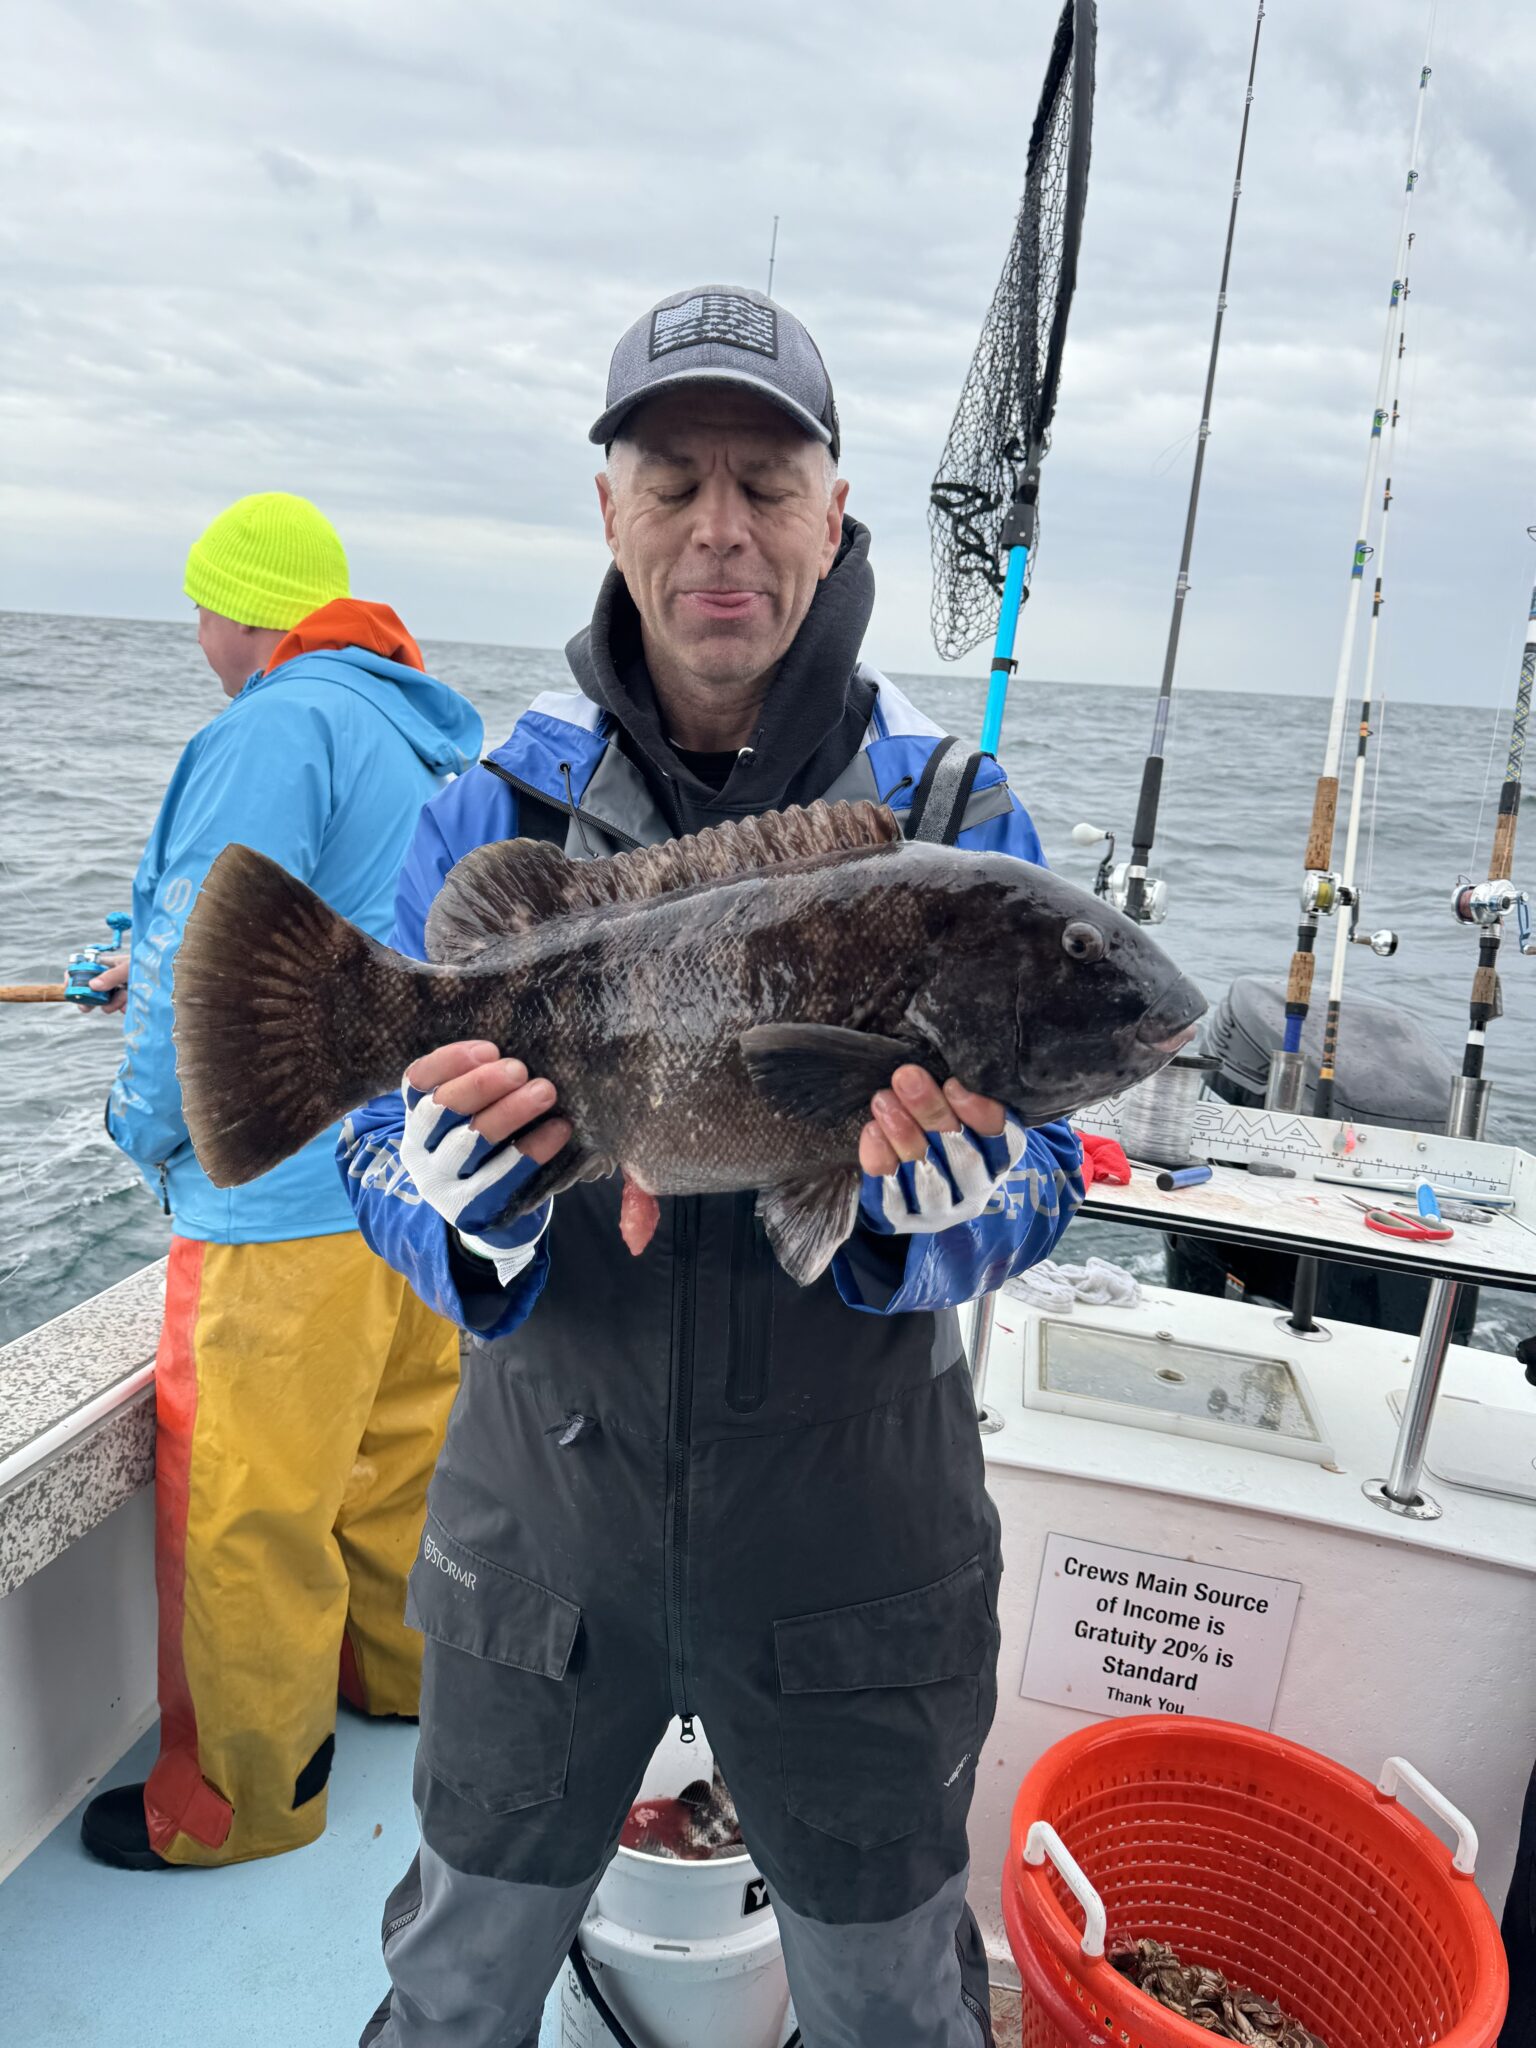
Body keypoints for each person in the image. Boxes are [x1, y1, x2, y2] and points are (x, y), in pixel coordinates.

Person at [341, 288, 1085, 2047]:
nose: (720, 532)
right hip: (544, 1541)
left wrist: (953, 1222)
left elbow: (1051, 1167)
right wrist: (457, 1216)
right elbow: (375, 1143)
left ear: (838, 513)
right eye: (673, 480)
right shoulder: (491, 815)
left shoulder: (960, 822)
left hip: (857, 1560)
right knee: (451, 1989)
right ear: (609, 511)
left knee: (894, 2004)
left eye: (767, 479)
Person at [82, 492, 483, 1871]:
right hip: (416, 1188)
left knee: (247, 1509)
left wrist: (147, 1126)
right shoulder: (415, 733)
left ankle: (236, 1808)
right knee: (392, 1467)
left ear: (248, 612)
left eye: (205, 609)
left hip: (280, 1202)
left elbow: (204, 940)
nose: (199, 637)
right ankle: (400, 1680)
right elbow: (351, 924)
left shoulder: (266, 728)